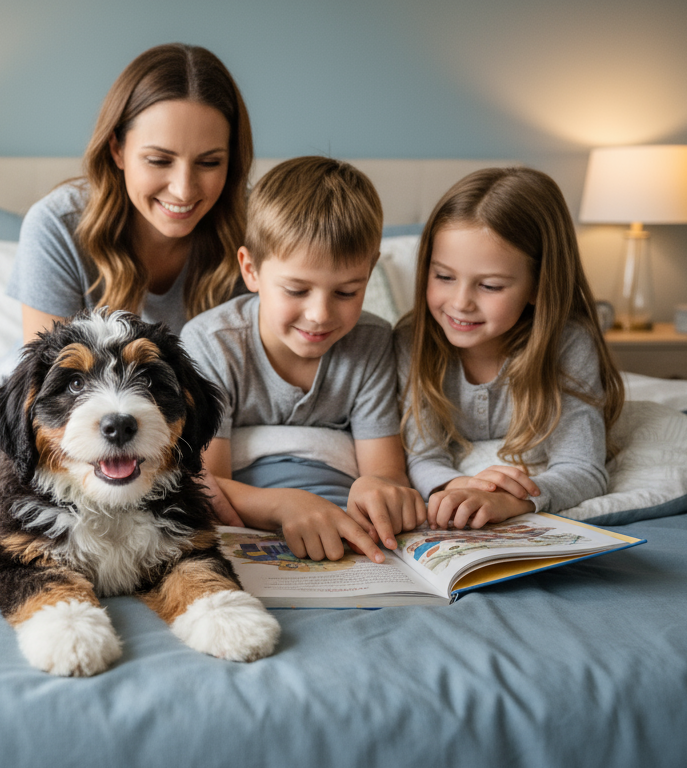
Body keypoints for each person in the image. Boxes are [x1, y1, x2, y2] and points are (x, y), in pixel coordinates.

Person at [181, 156, 425, 565]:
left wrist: (376, 489)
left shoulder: (372, 342)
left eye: (347, 292)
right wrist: (283, 505)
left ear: (369, 273)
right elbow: (206, 484)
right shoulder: (212, 343)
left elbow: (385, 472)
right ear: (251, 270)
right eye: (296, 290)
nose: (320, 315)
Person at [396, 167, 624, 531]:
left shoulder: (567, 343)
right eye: (443, 276)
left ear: (539, 285)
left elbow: (584, 468)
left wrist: (511, 499)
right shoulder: (413, 340)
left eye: (489, 285)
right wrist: (458, 486)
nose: (460, 302)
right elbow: (422, 456)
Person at [6, 43, 252, 340]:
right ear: (117, 149)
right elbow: (48, 377)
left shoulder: (258, 227)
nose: (184, 189)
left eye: (209, 162)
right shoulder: (57, 226)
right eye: (159, 160)